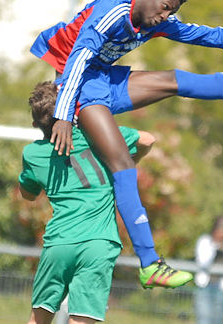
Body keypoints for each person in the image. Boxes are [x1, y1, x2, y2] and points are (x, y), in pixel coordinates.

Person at [30, 0, 223, 287]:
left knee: (173, 80)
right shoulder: (113, 11)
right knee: (122, 165)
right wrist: (62, 114)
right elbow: (79, 57)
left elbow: (197, 33)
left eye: (170, 12)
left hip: (102, 78)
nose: (165, 16)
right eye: (165, 7)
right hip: (76, 85)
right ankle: (150, 262)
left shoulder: (154, 18)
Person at [18, 82, 190, 324]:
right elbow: (148, 140)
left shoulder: (33, 154)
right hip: (99, 243)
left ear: (36, 124)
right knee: (83, 319)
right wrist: (123, 162)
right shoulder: (96, 137)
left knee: (38, 319)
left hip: (59, 242)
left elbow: (28, 193)